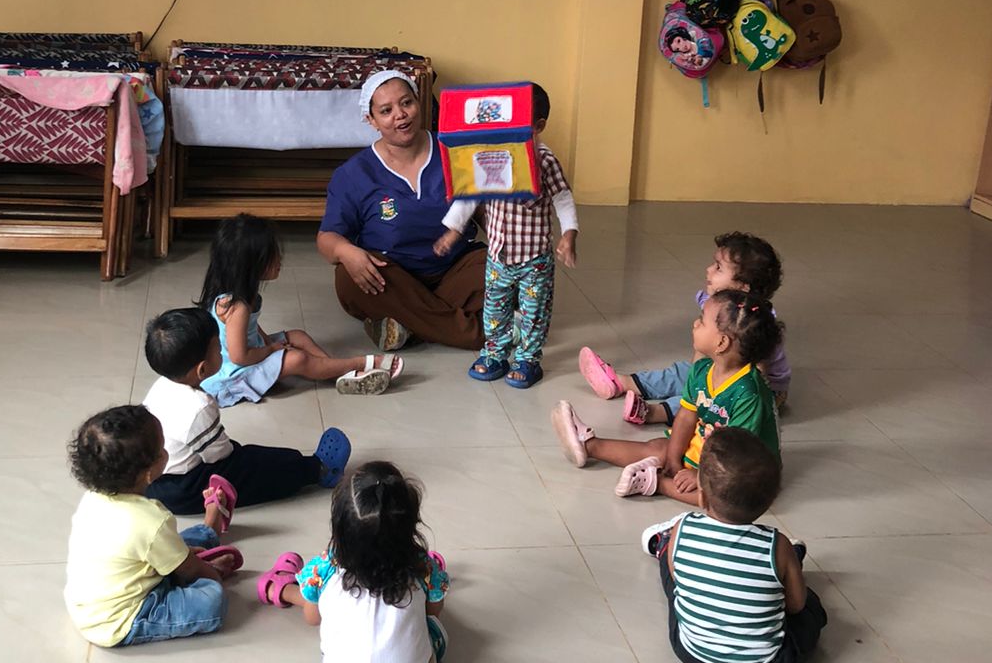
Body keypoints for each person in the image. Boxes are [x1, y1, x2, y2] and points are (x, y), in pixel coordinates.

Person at [256, 460, 449, 663]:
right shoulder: (423, 567)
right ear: (411, 527)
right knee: (433, 628)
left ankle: (282, 589)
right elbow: (434, 611)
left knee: (319, 598)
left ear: (340, 531)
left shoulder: (327, 566)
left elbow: (313, 618)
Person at [552, 288, 780, 499]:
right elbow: (686, 416)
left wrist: (700, 475)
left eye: (702, 321)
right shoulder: (701, 370)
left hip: (744, 467)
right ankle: (588, 445)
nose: (695, 323)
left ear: (721, 343)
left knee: (720, 494)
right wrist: (673, 458)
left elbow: (737, 453)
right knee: (659, 448)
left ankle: (658, 484)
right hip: (712, 444)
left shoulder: (748, 393)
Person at [643, 426, 826, 663]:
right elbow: (796, 606)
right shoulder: (778, 545)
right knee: (812, 607)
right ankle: (787, 567)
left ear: (701, 496)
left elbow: (675, 576)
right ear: (769, 502)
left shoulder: (683, 528)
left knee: (674, 581)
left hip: (690, 652)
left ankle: (661, 545)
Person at [317, 70, 486, 352]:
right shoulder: (353, 174)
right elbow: (327, 238)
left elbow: (483, 210)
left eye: (406, 103)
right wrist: (346, 252)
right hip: (391, 276)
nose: (400, 115)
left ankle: (406, 325)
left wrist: (510, 238)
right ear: (371, 120)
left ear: (419, 103)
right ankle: (476, 334)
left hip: (454, 269)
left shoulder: (455, 152)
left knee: (504, 266)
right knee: (348, 277)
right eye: (386, 110)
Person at [433, 82, 577, 389]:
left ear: (538, 126)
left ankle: (528, 359)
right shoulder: (491, 154)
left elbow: (563, 198)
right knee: (494, 309)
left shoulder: (545, 160)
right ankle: (495, 353)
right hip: (498, 255)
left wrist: (569, 234)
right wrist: (453, 231)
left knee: (533, 313)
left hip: (534, 259)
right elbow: (470, 194)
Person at [141, 307, 351, 515]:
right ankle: (319, 469)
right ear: (202, 369)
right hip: (183, 488)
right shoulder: (199, 406)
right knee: (253, 467)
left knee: (242, 454)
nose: (222, 352)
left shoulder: (161, 385)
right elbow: (221, 455)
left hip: (153, 482)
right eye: (218, 349)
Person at [64, 403, 243, 647]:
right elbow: (191, 569)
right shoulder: (151, 520)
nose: (166, 451)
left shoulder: (92, 498)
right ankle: (207, 535)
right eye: (162, 449)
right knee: (212, 601)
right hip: (121, 618)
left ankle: (208, 528)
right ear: (148, 473)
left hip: (89, 605)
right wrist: (212, 575)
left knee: (170, 542)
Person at [579, 231, 791, 419]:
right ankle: (622, 383)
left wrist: (755, 405)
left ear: (743, 287)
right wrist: (695, 375)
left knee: (709, 399)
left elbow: (758, 373)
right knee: (684, 373)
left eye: (718, 268)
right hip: (721, 367)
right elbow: (700, 354)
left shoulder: (757, 322)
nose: (708, 270)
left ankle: (653, 412)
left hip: (756, 389)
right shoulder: (715, 304)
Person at [197, 212, 404, 403]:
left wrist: (268, 342)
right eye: (272, 255)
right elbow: (239, 357)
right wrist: (270, 349)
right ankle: (359, 364)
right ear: (252, 265)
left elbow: (251, 327)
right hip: (236, 373)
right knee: (298, 359)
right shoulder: (237, 307)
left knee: (298, 336)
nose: (280, 258)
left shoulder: (243, 294)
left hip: (251, 353)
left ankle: (338, 373)